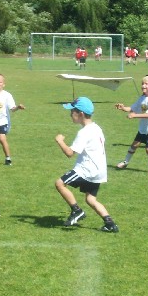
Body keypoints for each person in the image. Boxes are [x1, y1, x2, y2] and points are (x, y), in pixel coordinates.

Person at [54, 97, 118, 232]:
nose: (70, 114)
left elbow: (70, 153)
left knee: (59, 183)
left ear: (81, 114)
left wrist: (60, 141)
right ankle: (110, 224)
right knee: (91, 199)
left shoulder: (84, 132)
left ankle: (76, 210)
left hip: (87, 169)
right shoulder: (96, 128)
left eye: (72, 111)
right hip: (99, 170)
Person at [115, 76, 148, 174]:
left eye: (146, 84)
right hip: (143, 128)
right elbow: (133, 108)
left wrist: (134, 115)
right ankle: (125, 162)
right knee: (134, 145)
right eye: (142, 83)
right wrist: (123, 108)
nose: (143, 85)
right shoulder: (142, 98)